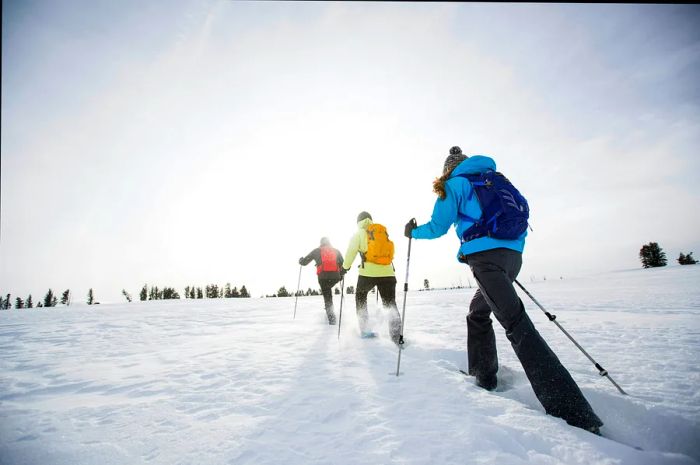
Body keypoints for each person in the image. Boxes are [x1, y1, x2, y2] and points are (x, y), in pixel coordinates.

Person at [404, 146, 603, 434]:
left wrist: (413, 232)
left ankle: (573, 412)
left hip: (486, 260)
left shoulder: (455, 184)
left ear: (450, 168)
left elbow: (438, 226)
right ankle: (483, 375)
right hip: (513, 257)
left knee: (517, 325)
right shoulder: (495, 179)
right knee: (477, 313)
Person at [342, 211, 401, 344]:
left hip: (368, 274)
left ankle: (365, 330)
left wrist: (345, 267)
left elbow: (351, 251)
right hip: (388, 273)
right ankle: (396, 336)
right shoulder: (381, 231)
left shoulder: (359, 234)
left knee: (360, 297)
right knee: (390, 303)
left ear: (358, 222)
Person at [299, 237, 345, 325]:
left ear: (321, 243)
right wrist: (341, 274)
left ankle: (332, 320)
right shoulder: (336, 251)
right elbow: (343, 263)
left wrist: (301, 260)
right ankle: (330, 312)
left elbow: (304, 262)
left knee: (327, 297)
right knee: (328, 291)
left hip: (323, 277)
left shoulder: (317, 250)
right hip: (335, 277)